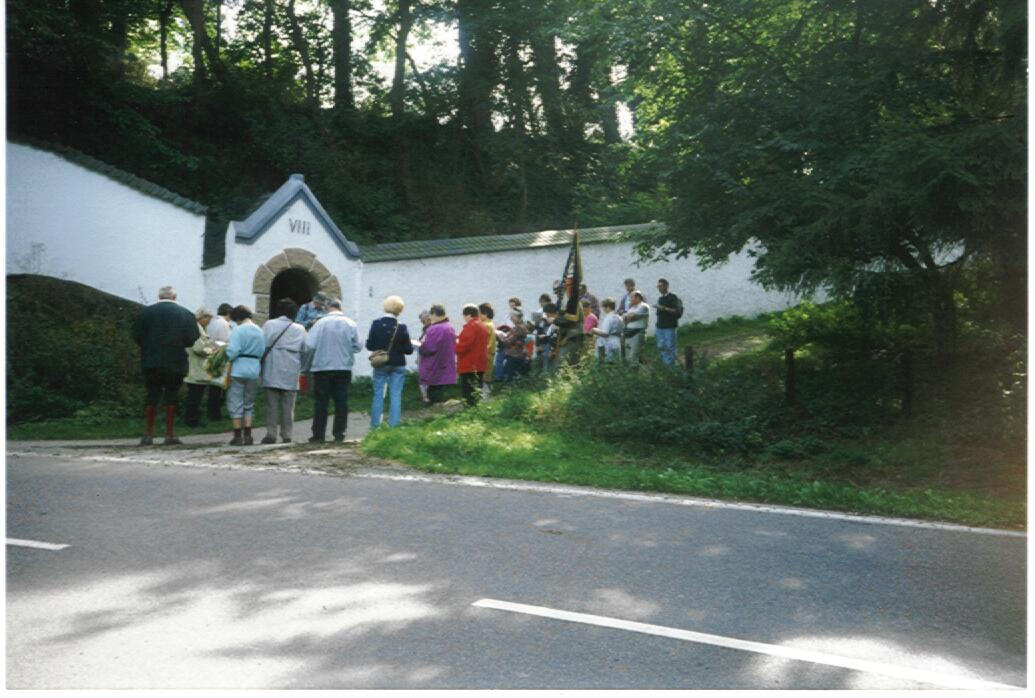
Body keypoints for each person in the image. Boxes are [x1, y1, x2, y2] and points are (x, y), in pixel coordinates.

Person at [132, 285, 200, 445]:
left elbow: (136, 335)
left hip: (151, 360)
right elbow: (192, 339)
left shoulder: (146, 312)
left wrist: (149, 347)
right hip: (175, 361)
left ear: (159, 296)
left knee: (152, 395)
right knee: (172, 396)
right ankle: (169, 434)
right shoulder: (186, 314)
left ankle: (148, 433)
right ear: (174, 297)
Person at [306, 298, 361, 442]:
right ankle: (339, 433)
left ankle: (318, 434)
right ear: (340, 307)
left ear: (327, 307)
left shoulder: (320, 323)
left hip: (322, 367)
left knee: (321, 402)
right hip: (343, 367)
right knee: (341, 400)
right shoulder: (350, 323)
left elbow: (310, 344)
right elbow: (358, 346)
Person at [260, 298, 308, 443]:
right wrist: (303, 368)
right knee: (288, 405)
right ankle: (287, 434)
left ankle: (271, 434)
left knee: (271, 404)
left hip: (272, 367)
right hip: (292, 369)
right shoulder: (300, 329)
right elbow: (306, 349)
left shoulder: (269, 325)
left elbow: (262, 346)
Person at [366, 295, 415, 428]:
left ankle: (375, 426)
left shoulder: (376, 324)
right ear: (399, 309)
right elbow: (409, 350)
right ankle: (394, 425)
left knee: (378, 394)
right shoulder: (402, 327)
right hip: (398, 364)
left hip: (381, 363)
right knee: (396, 395)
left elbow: (369, 345)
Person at [225, 305, 264, 445]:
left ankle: (237, 436)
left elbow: (233, 351)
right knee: (249, 403)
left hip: (239, 368)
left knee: (236, 401)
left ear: (238, 318)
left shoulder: (238, 330)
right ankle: (248, 434)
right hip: (254, 368)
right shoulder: (260, 330)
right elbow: (262, 350)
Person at [183, 306, 220, 428]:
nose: (209, 322)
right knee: (195, 395)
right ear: (202, 318)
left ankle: (193, 418)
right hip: (196, 366)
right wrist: (212, 351)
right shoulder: (196, 329)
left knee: (196, 394)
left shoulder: (197, 328)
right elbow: (198, 348)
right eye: (208, 319)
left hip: (196, 366)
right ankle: (191, 420)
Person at [418, 304, 457, 403]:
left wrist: (420, 347)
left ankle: (435, 412)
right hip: (445, 363)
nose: (430, 318)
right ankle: (439, 412)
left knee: (433, 393)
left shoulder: (435, 329)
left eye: (431, 315)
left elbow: (429, 348)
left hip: (434, 364)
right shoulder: (449, 327)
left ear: (435, 314)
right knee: (440, 391)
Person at [455, 304, 490, 406]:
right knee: (477, 387)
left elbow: (464, 345)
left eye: (464, 316)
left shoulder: (471, 326)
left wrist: (455, 345)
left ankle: (469, 410)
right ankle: (476, 408)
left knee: (468, 389)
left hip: (469, 363)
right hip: (480, 362)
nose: (464, 318)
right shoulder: (482, 325)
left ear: (468, 315)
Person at [654, 278, 684, 366]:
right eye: (658, 287)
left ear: (666, 286)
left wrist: (664, 308)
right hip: (660, 326)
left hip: (669, 327)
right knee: (661, 346)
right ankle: (665, 365)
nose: (659, 288)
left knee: (670, 346)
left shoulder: (673, 297)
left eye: (661, 286)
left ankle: (671, 367)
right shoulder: (660, 298)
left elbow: (677, 311)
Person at [500, 309, 530, 381]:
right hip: (517, 353)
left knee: (510, 374)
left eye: (512, 316)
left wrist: (501, 337)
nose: (511, 318)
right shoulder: (521, 327)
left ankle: (511, 388)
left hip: (515, 354)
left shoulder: (518, 328)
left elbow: (509, 341)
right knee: (512, 372)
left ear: (517, 317)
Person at [622, 290, 651, 364]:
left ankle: (635, 374)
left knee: (633, 357)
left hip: (637, 334)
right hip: (629, 334)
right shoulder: (632, 308)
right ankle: (630, 374)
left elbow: (631, 317)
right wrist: (627, 317)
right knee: (628, 357)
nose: (629, 299)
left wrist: (627, 317)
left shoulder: (643, 306)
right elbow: (624, 319)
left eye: (631, 297)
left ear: (638, 297)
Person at [592, 297, 624, 361]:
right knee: (615, 365)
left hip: (608, 344)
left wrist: (594, 330)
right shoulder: (619, 317)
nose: (603, 309)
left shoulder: (608, 318)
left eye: (604, 307)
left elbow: (605, 333)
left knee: (608, 364)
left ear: (608, 307)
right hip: (616, 342)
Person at [478, 302, 496, 401]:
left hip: (485, 353)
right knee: (487, 376)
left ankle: (485, 397)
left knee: (484, 376)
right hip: (490, 353)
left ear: (484, 314)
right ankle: (486, 396)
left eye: (479, 314)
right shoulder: (491, 323)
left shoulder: (485, 325)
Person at [415, 309, 433, 404]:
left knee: (425, 377)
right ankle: (425, 396)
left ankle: (427, 398)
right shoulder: (425, 329)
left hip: (427, 356)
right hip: (422, 355)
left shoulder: (431, 329)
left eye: (424, 320)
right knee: (423, 377)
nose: (423, 322)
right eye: (422, 320)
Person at [539, 303, 560, 373]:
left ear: (552, 314)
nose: (547, 317)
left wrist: (552, 351)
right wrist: (545, 336)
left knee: (549, 370)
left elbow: (555, 337)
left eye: (547, 315)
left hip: (552, 350)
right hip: (549, 348)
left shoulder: (556, 323)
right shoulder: (554, 323)